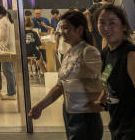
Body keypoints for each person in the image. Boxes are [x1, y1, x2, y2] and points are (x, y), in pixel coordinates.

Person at [29, 10, 103, 140]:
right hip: (70, 112)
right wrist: (40, 106)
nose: (62, 32)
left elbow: (105, 79)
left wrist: (100, 103)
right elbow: (61, 85)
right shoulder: (69, 53)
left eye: (66, 28)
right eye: (61, 28)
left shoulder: (89, 52)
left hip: (86, 116)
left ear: (79, 30)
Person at [97, 4, 135, 140]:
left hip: (134, 128)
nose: (106, 28)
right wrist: (99, 101)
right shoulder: (107, 53)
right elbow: (107, 77)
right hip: (117, 124)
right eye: (101, 22)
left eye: (112, 23)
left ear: (124, 26)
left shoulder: (131, 56)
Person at [0, 5, 17, 100]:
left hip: (5, 49)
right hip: (11, 48)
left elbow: (2, 35)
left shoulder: (2, 20)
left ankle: (11, 93)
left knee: (7, 71)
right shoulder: (8, 19)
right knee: (10, 70)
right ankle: (12, 91)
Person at [24, 17, 45, 82]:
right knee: (41, 54)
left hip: (24, 53)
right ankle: (43, 71)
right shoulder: (34, 33)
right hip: (33, 52)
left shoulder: (21, 33)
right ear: (32, 25)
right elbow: (39, 45)